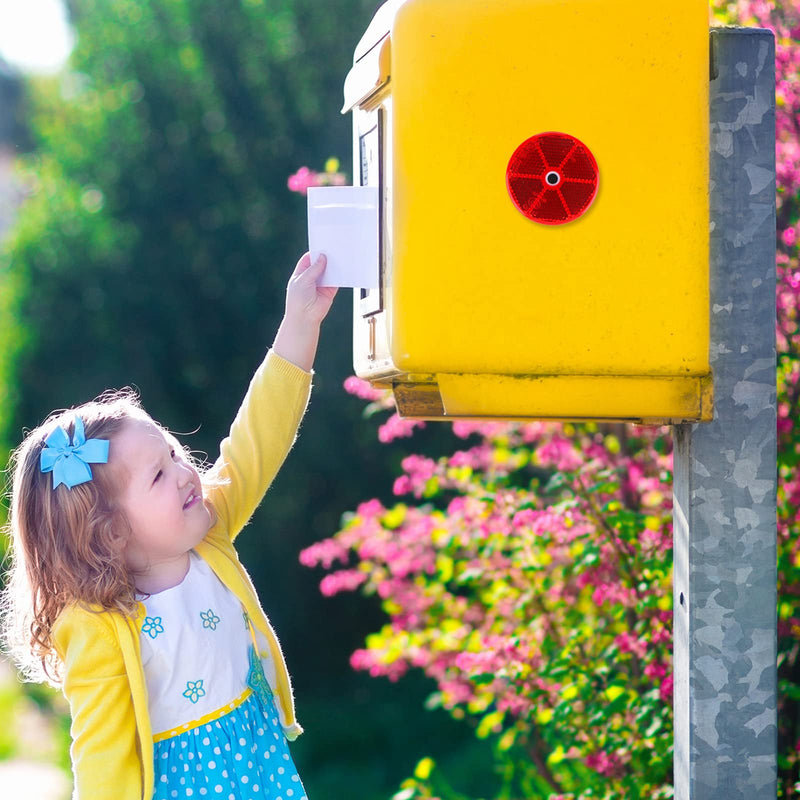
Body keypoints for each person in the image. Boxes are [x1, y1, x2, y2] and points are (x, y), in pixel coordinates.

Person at [1, 253, 336, 800]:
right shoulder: (99, 624)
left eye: (176, 454)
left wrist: (299, 324)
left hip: (263, 772)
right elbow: (101, 759)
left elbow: (258, 439)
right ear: (109, 534)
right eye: (159, 475)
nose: (186, 473)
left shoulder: (207, 530)